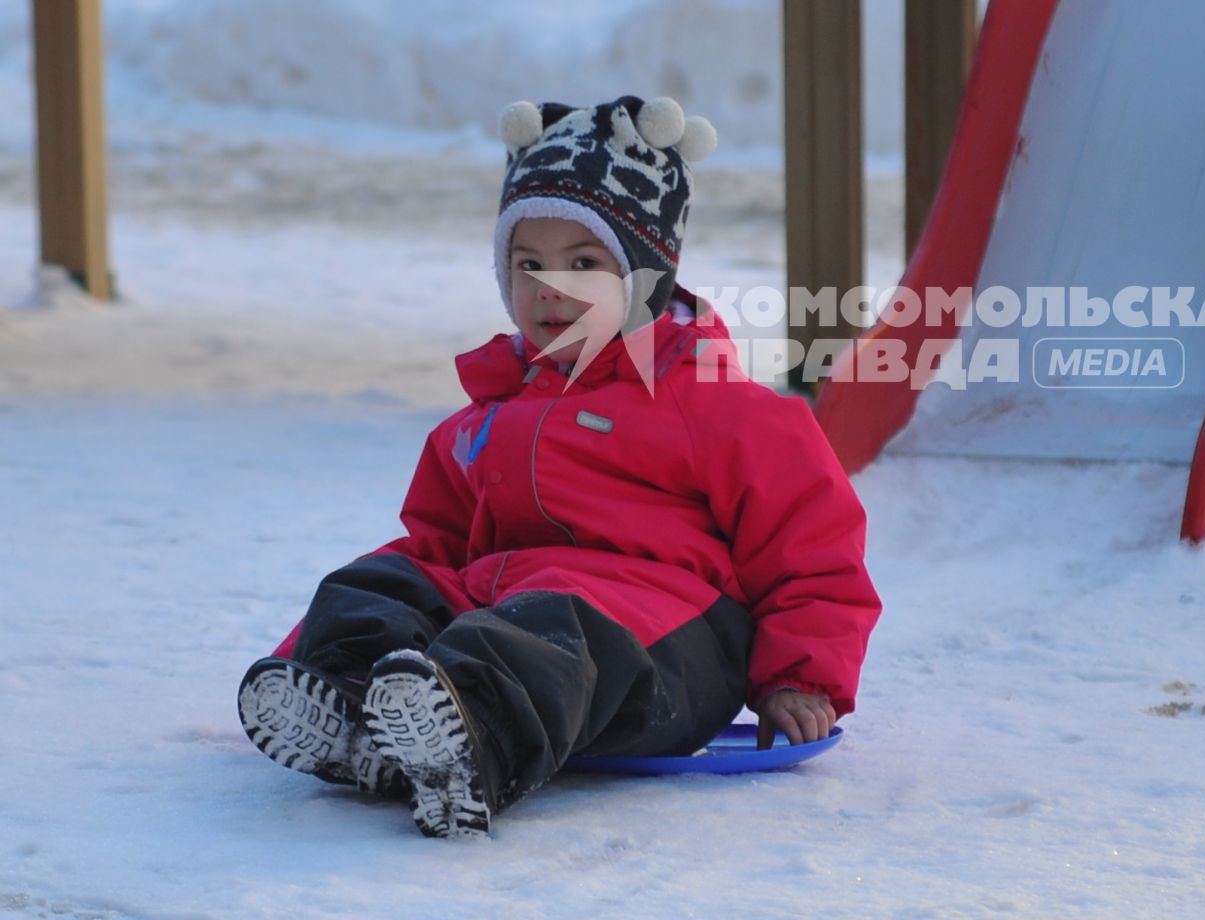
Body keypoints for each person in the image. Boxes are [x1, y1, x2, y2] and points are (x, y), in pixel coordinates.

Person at [237, 94, 881, 838]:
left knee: (549, 627)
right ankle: (348, 701)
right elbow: (438, 545)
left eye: (584, 263)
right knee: (379, 583)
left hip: (659, 640)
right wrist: (334, 630)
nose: (552, 287)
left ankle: (466, 738)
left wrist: (800, 679)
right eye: (528, 263)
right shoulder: (482, 420)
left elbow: (812, 550)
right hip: (507, 606)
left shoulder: (717, 406)